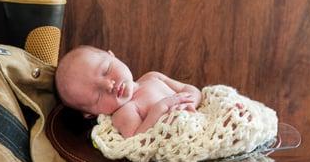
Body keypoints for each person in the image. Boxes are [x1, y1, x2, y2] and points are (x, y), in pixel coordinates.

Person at [55, 45, 203, 138]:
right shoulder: (125, 113)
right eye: (98, 96)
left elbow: (189, 89)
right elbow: (138, 140)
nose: (109, 85)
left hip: (201, 124)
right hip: (183, 142)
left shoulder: (152, 77)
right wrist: (160, 109)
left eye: (106, 70)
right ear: (92, 113)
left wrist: (189, 101)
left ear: (113, 56)